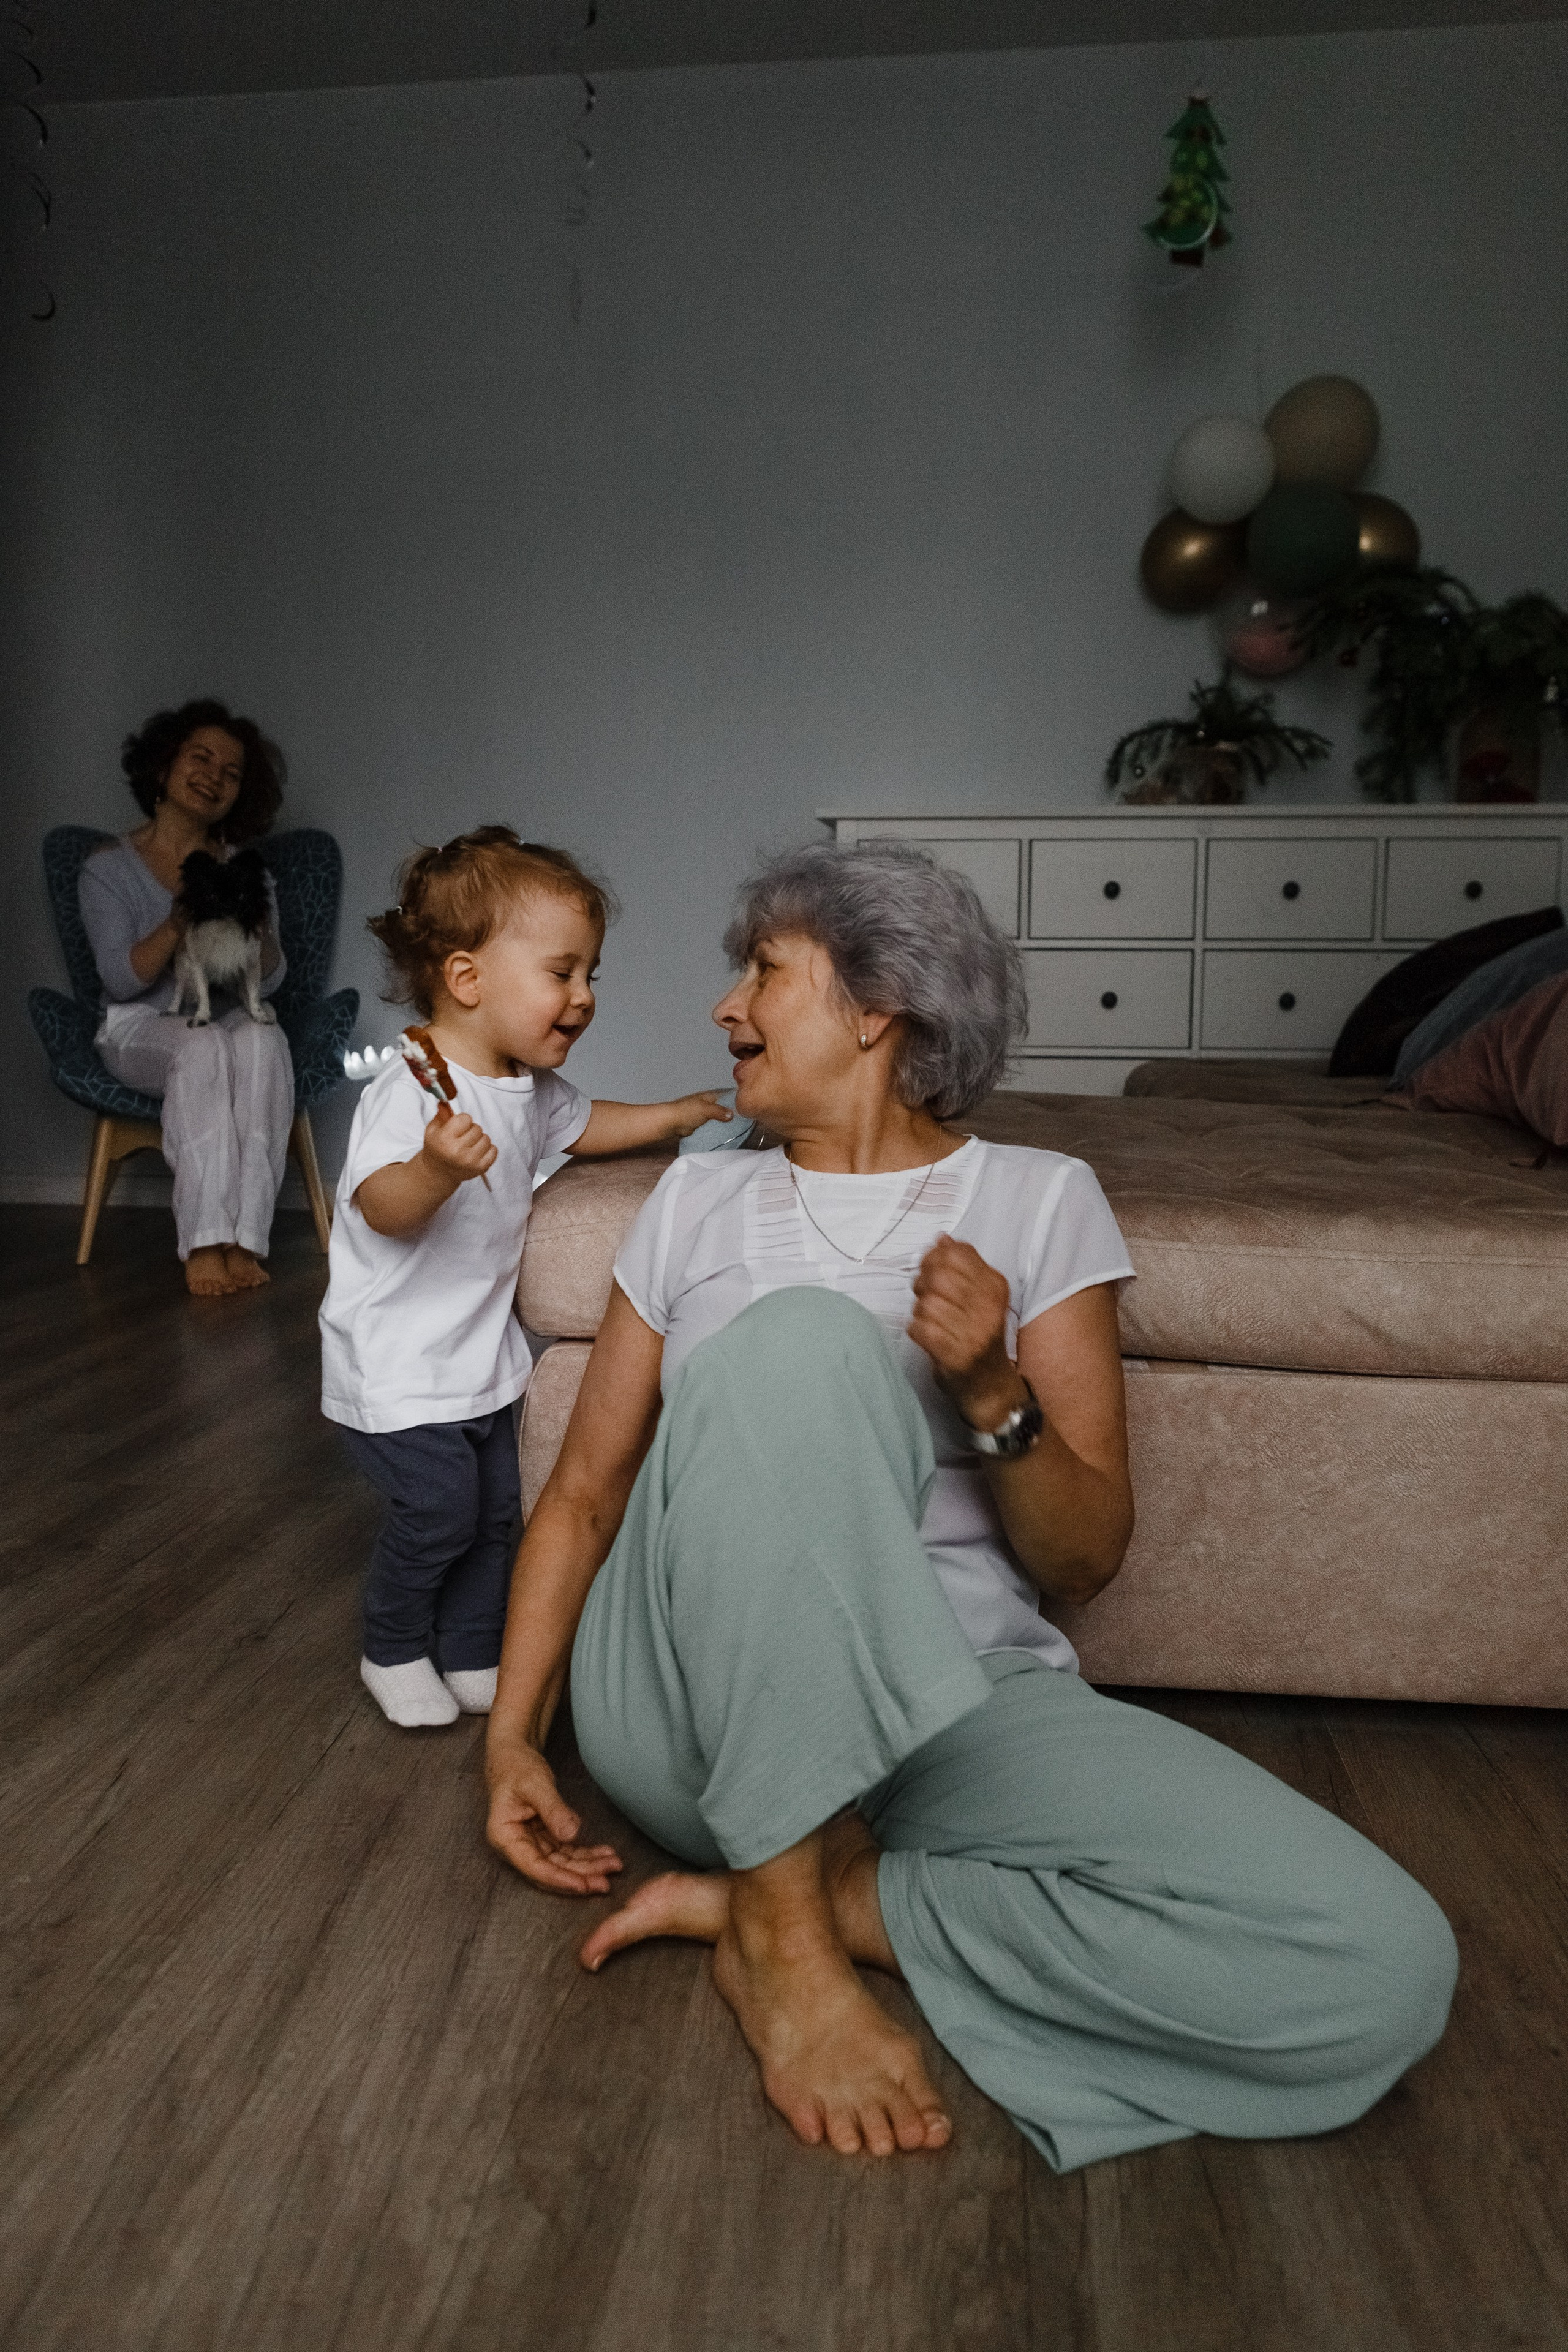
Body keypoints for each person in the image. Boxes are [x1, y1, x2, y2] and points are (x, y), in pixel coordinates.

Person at [484, 840, 1458, 2172]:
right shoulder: (696, 1198)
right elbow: (586, 1501)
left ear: (875, 1005)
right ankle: (779, 1937)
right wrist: (512, 1742)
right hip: (696, 1705)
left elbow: (1082, 1559)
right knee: (806, 1345)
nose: (724, 1009)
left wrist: (992, 1389)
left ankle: (814, 1900)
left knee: (1378, 1963)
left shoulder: (1036, 1198)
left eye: (761, 973)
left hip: (955, 1701)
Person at [321, 824, 731, 1732]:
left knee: (498, 1512)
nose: (584, 999)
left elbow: (590, 1127)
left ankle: (471, 1650)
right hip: (394, 1364)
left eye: (592, 976)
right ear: (468, 980)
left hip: (475, 1358)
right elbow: (379, 1207)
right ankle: (391, 1647)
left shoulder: (526, 1088)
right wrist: (435, 1169)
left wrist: (680, 1112)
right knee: (436, 1513)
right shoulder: (417, 1089)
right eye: (563, 973)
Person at [80, 698, 292, 1297]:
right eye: (201, 759)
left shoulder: (247, 872)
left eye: (231, 773)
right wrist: (181, 920)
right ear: (165, 767)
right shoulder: (109, 868)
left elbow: (270, 983)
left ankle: (246, 1239)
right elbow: (122, 981)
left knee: (263, 1039)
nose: (214, 778)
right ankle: (204, 1241)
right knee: (200, 1050)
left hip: (224, 1020)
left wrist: (253, 924)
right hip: (139, 1026)